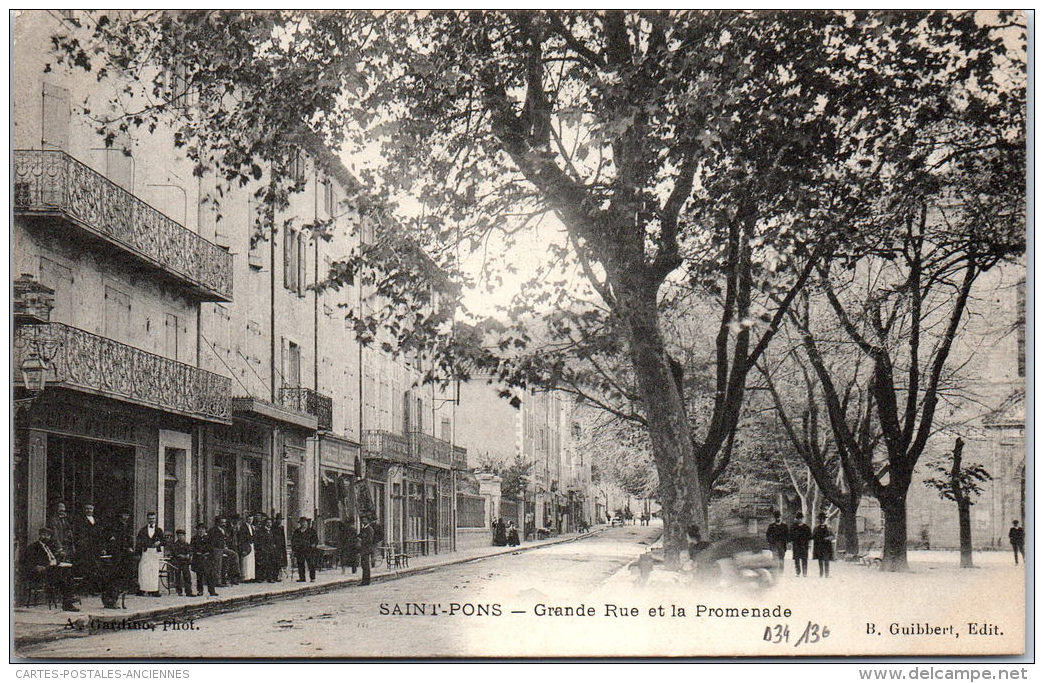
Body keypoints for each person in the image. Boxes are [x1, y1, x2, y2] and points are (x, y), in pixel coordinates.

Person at [24, 528, 78, 611]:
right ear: (39, 535)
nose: (46, 537)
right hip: (42, 572)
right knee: (65, 575)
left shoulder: (49, 547)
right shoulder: (34, 547)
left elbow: (53, 559)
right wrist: (36, 567)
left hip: (52, 569)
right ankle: (69, 600)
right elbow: (28, 562)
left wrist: (59, 557)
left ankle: (69, 598)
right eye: (44, 534)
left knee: (68, 571)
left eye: (48, 535)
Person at [74, 503, 104, 593]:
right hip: (86, 548)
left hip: (96, 548)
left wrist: (102, 547)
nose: (89, 510)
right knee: (87, 569)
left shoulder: (97, 520)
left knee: (96, 569)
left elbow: (100, 535)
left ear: (93, 509)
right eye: (87, 508)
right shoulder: (80, 521)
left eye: (90, 508)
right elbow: (80, 535)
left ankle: (94, 589)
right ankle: (86, 589)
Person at [135, 511, 164, 596]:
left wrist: (159, 542)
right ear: (147, 519)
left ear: (155, 519)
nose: (151, 520)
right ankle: (143, 589)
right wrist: (138, 552)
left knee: (154, 571)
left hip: (154, 552)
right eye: (150, 519)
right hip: (146, 552)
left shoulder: (159, 530)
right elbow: (138, 542)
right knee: (144, 570)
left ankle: (154, 590)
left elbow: (164, 541)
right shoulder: (143, 530)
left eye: (153, 518)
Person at [191, 522, 218, 597]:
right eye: (199, 529)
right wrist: (198, 553)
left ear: (205, 530)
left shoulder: (209, 538)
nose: (201, 530)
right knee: (199, 576)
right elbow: (192, 548)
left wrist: (207, 554)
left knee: (210, 575)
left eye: (203, 529)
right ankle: (200, 591)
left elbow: (211, 549)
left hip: (207, 559)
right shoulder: (194, 539)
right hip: (198, 559)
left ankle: (212, 591)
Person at [291, 516, 318, 583]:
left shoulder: (311, 531)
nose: (303, 524)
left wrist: (313, 544)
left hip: (309, 550)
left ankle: (312, 578)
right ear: (300, 523)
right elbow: (293, 540)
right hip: (300, 550)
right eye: (301, 522)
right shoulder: (297, 531)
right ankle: (302, 578)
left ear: (307, 523)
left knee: (311, 564)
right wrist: (294, 549)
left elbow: (316, 540)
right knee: (300, 564)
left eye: (304, 522)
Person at [169, 529, 195, 596]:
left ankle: (188, 591)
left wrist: (188, 555)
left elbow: (190, 551)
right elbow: (176, 554)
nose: (181, 537)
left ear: (184, 536)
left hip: (185, 563)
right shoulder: (175, 545)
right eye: (179, 535)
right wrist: (184, 556)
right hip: (177, 562)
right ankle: (179, 591)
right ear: (177, 536)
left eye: (182, 535)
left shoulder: (187, 544)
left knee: (187, 577)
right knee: (178, 577)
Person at [812, 514, 835, 578]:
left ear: (824, 520)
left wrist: (828, 538)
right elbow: (813, 536)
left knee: (826, 560)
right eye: (820, 519)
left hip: (827, 546)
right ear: (818, 520)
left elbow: (833, 536)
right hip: (819, 546)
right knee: (820, 560)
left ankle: (827, 573)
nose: (821, 520)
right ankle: (821, 573)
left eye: (823, 519)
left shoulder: (829, 528)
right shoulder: (816, 528)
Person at [790, 512, 812, 577]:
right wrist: (792, 542)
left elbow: (810, 537)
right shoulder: (793, 527)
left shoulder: (806, 527)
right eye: (798, 518)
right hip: (796, 545)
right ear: (796, 519)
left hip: (804, 545)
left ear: (802, 519)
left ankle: (805, 572)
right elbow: (790, 536)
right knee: (796, 559)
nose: (799, 520)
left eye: (800, 518)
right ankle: (797, 572)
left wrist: (807, 542)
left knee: (804, 559)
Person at [358, 517, 375, 586]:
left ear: (368, 521)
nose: (363, 521)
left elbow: (370, 540)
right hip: (363, 549)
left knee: (366, 565)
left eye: (364, 520)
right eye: (362, 520)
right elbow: (360, 535)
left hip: (367, 549)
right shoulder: (363, 529)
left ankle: (366, 581)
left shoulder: (370, 529)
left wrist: (362, 540)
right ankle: (364, 580)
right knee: (363, 565)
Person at [238, 514, 256, 582]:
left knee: (251, 561)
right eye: (249, 519)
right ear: (246, 519)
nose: (250, 521)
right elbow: (243, 537)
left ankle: (251, 576)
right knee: (246, 561)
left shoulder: (252, 527)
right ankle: (245, 577)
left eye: (251, 519)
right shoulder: (243, 527)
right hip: (246, 545)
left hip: (251, 544)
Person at [272, 514, 288, 579]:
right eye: (279, 519)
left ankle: (280, 575)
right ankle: (276, 576)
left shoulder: (281, 527)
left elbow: (283, 537)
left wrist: (284, 545)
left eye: (281, 519)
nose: (280, 521)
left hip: (281, 545)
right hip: (275, 545)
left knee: (281, 560)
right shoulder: (273, 527)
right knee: (276, 561)